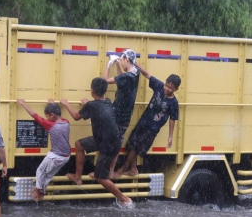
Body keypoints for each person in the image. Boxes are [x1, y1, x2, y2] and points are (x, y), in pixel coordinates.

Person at [60, 77, 134, 208]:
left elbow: (77, 117)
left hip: (107, 144)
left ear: (92, 90)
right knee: (79, 144)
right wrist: (87, 104)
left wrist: (66, 104)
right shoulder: (107, 102)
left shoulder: (92, 105)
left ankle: (125, 199)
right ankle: (78, 177)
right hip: (106, 139)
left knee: (100, 178)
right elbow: (96, 108)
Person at [114, 65, 180, 178]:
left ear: (176, 89)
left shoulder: (174, 103)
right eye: (166, 85)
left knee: (136, 148)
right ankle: (133, 169)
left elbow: (172, 119)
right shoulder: (159, 86)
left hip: (151, 129)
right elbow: (147, 74)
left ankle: (122, 169)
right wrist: (135, 64)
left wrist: (170, 137)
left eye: (170, 88)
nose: (166, 89)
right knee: (130, 145)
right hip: (143, 122)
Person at [17, 98, 71, 202]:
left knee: (40, 171)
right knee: (48, 175)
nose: (46, 118)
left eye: (47, 116)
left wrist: (24, 104)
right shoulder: (66, 122)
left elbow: (35, 116)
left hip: (55, 156)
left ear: (52, 115)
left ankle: (37, 194)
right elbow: (56, 115)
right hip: (66, 157)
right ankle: (41, 193)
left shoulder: (51, 125)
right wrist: (52, 104)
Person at [102, 49, 139, 178]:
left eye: (122, 60)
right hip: (126, 115)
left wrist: (109, 64)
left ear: (127, 60)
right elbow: (121, 80)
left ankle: (108, 172)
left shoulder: (127, 77)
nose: (122, 63)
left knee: (112, 142)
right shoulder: (135, 73)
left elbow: (104, 81)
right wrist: (118, 63)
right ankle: (111, 171)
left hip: (118, 114)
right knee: (117, 142)